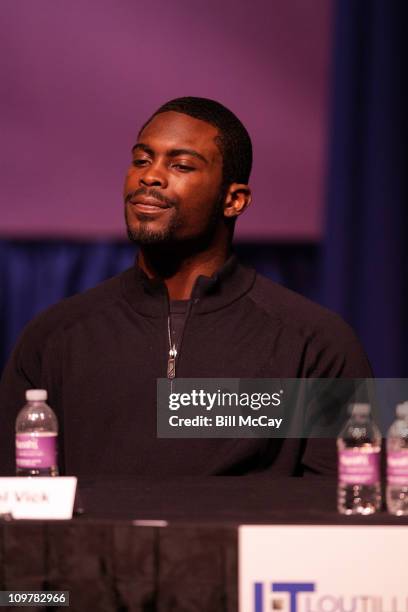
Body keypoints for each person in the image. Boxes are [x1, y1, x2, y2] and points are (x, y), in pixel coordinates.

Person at [0, 97, 372, 479]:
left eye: (180, 165)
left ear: (234, 200)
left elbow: (341, 511)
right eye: (142, 160)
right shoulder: (54, 337)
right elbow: (15, 500)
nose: (150, 177)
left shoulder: (315, 343)